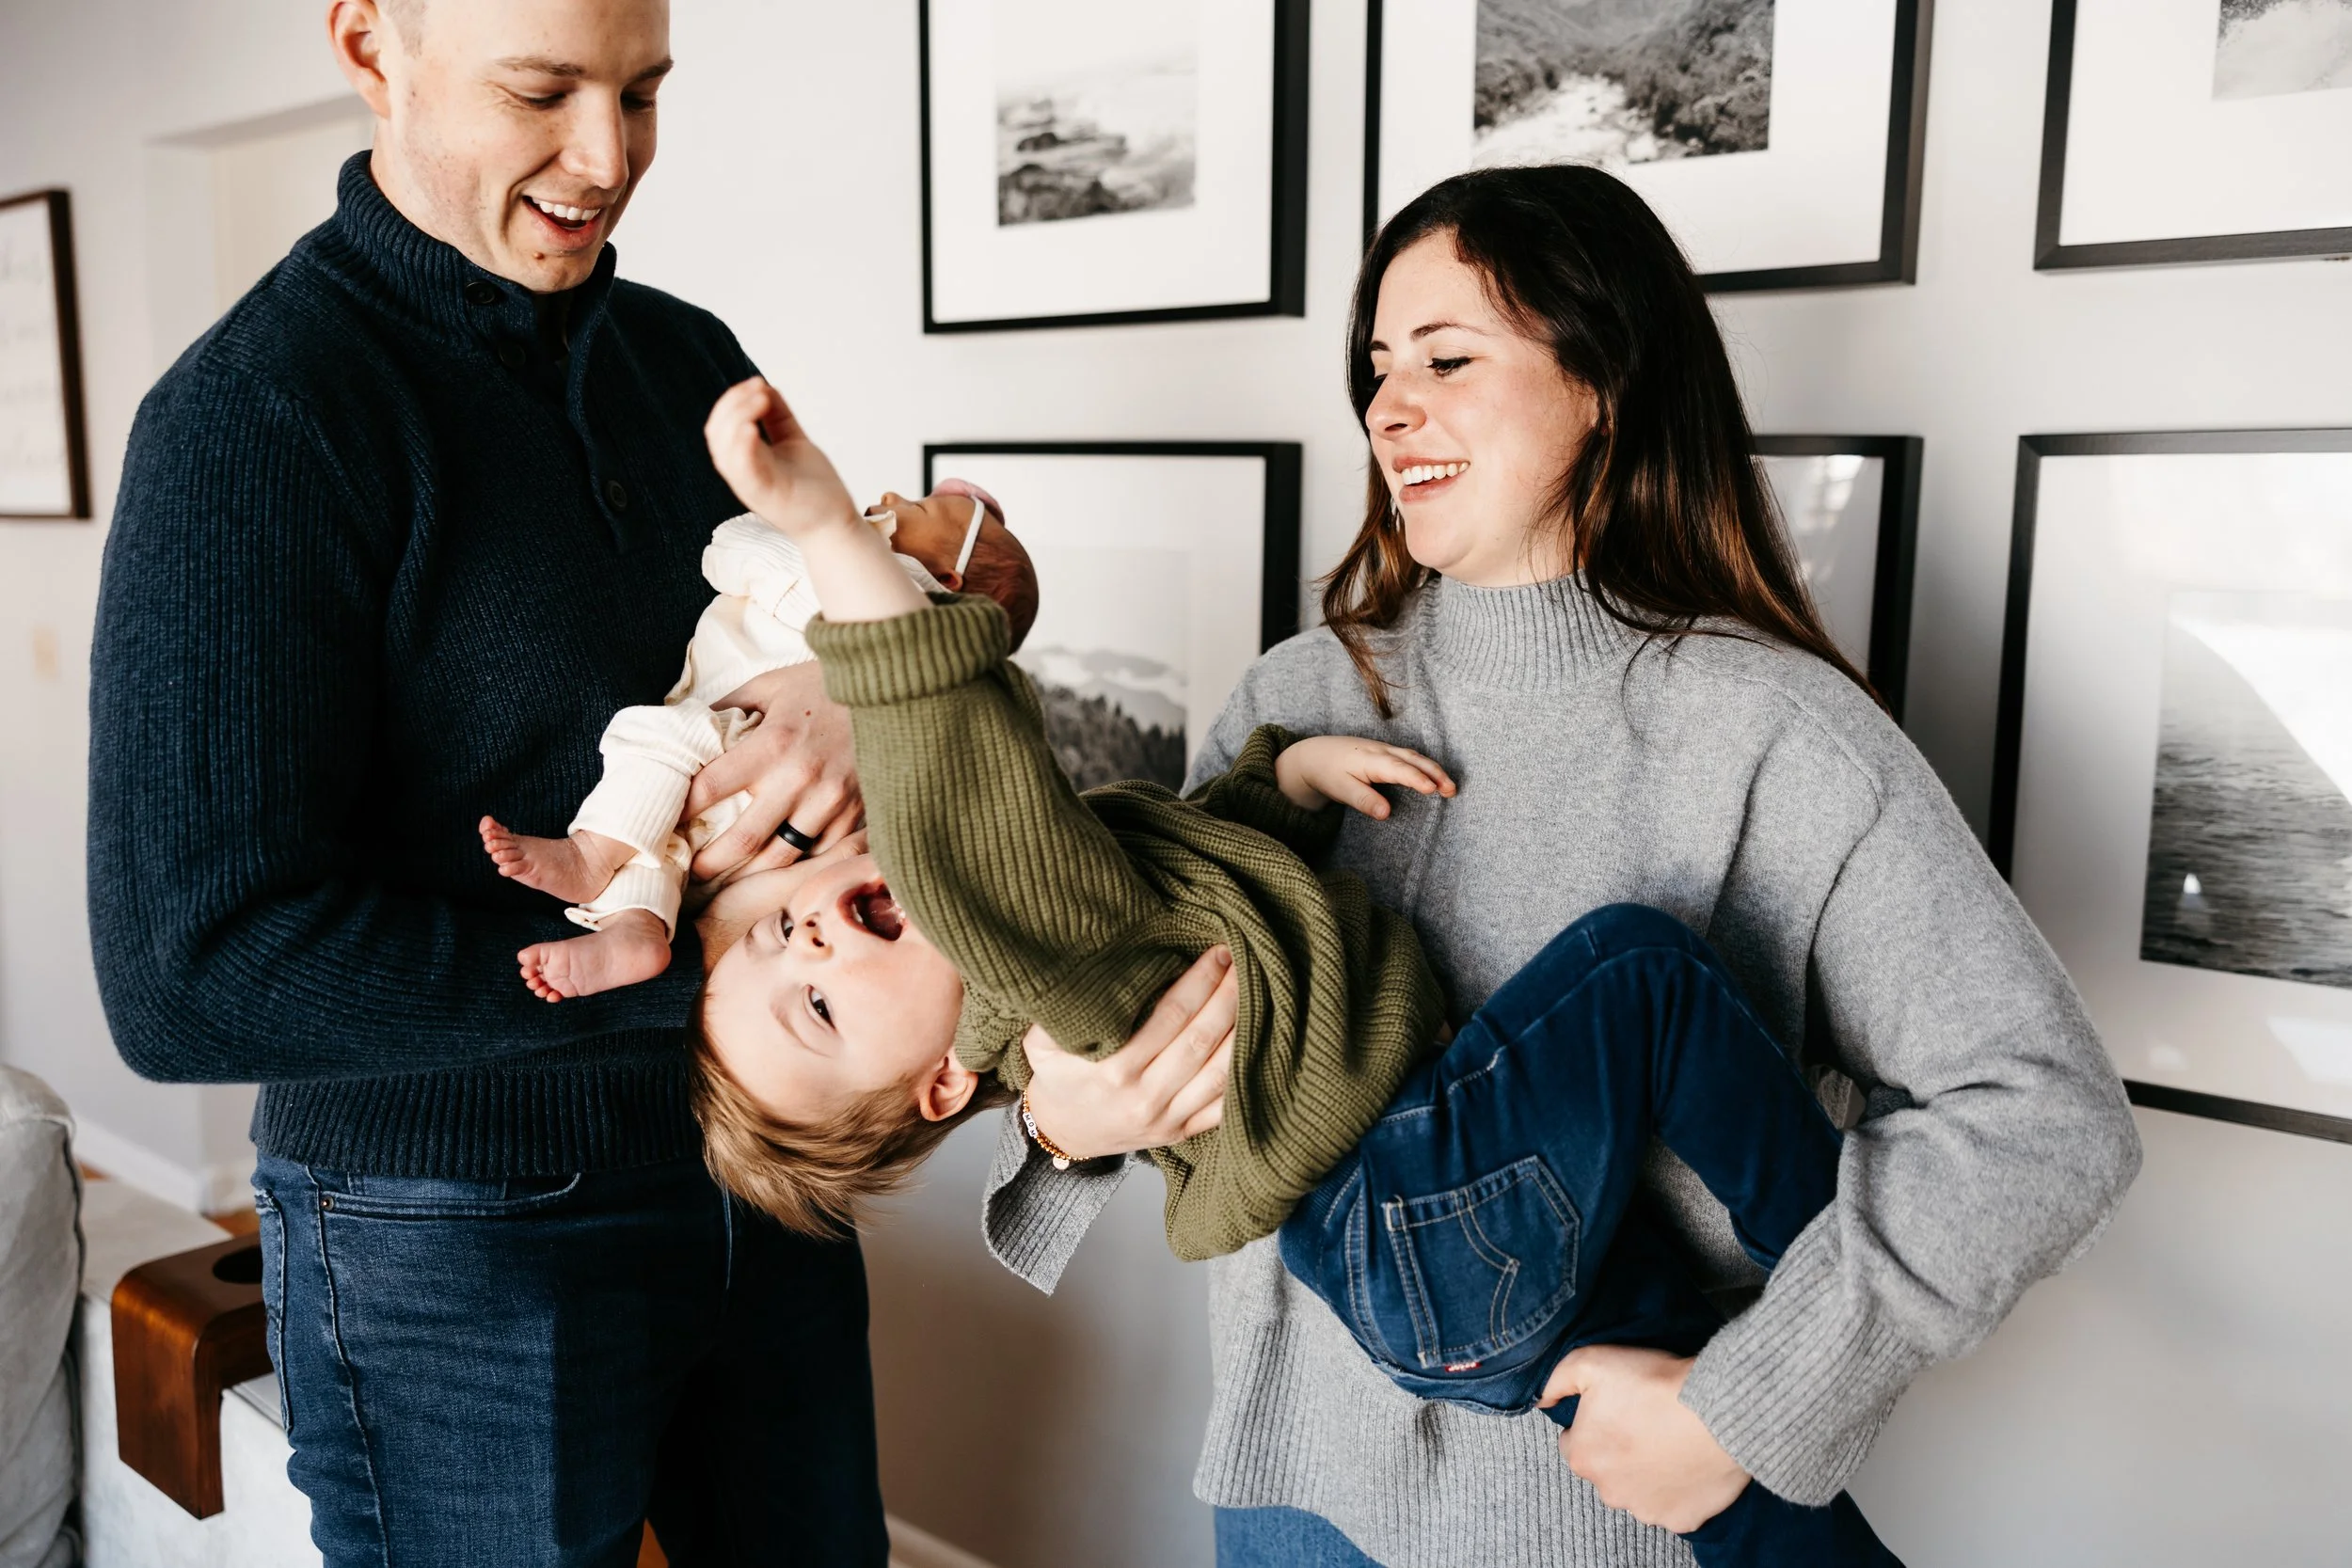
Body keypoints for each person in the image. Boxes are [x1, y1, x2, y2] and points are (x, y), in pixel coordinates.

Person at [980, 166, 2145, 1566]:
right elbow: (1155, 1026)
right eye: (1378, 367)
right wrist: (1061, 1122)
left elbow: (2042, 1113)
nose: (1387, 407)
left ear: (1603, 382)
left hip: (1588, 1527)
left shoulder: (1779, 737)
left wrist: (1750, 1407)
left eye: (1449, 359)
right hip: (1288, 1499)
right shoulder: (1294, 701)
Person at [679, 375, 1897, 1564]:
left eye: (778, 932)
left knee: (1720, 1455)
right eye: (820, 1007)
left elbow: (1196, 880)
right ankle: (1827, 1266)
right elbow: (940, 746)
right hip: (1416, 1193)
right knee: (1639, 972)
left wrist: (1284, 781)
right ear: (942, 1083)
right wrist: (828, 527)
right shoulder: (1010, 932)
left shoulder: (1081, 924)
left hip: (1414, 1239)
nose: (812, 942)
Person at [85, 2, 894, 1561]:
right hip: (452, 1234)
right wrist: (692, 979)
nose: (609, 159)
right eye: (545, 90)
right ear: (372, 42)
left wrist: (852, 681)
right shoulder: (257, 420)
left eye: (645, 93)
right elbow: (187, 976)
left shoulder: (685, 358)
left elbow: (826, 608)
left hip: (762, 1172)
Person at [479, 482, 1037, 1000]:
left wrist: (812, 529)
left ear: (948, 579)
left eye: (911, 510)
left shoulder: (863, 578)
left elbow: (731, 545)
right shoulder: (938, 668)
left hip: (732, 737)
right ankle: (639, 928)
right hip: (781, 839)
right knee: (667, 845)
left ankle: (594, 853)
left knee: (651, 742)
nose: (889, 496)